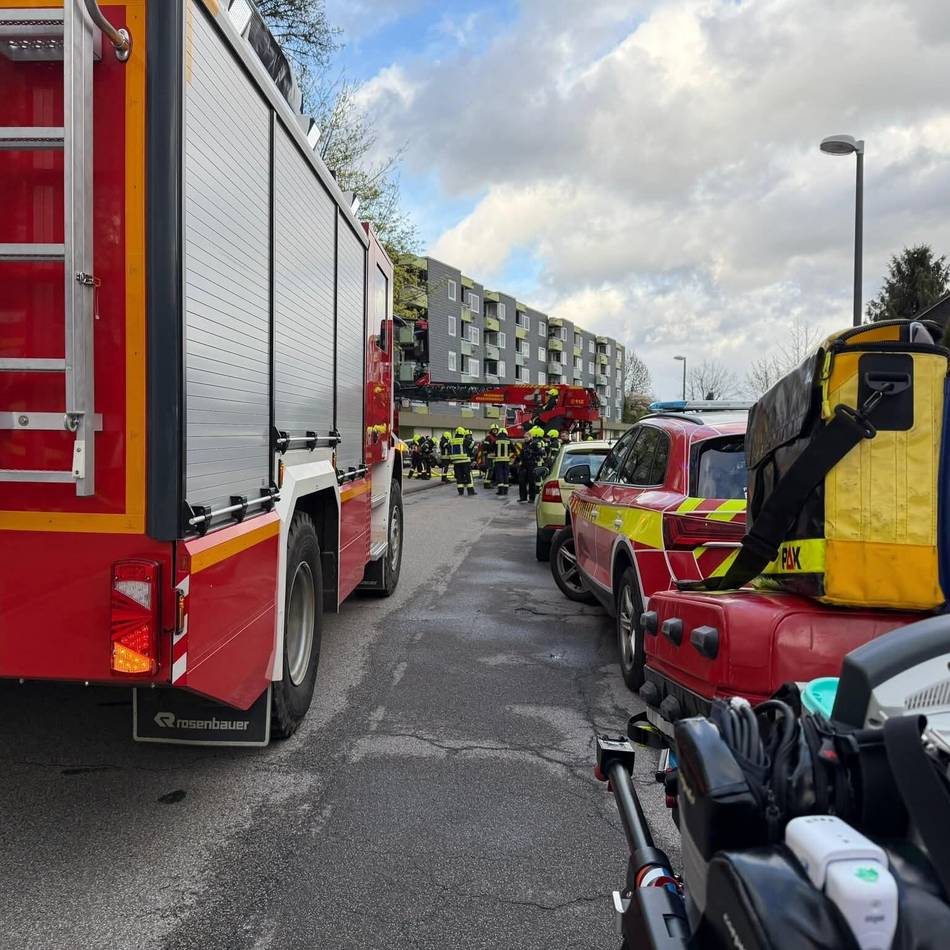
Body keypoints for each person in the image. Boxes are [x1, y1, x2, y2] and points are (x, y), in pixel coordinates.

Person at [449, 426, 476, 497]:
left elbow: (449, 450)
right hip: (465, 461)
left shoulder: (451, 441)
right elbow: (472, 445)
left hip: (456, 462)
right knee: (468, 476)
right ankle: (470, 491)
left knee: (459, 477)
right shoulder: (463, 440)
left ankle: (460, 492)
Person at [489, 426, 512, 496]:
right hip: (506, 461)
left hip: (498, 461)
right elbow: (513, 450)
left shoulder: (496, 441)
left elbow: (491, 448)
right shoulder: (509, 441)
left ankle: (500, 491)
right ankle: (505, 491)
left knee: (500, 475)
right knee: (506, 474)